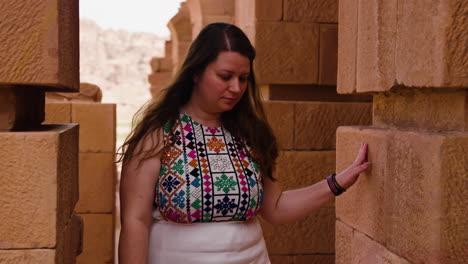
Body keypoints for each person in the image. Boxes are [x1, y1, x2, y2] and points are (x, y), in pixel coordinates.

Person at [117, 22, 370, 264]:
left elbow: (276, 208)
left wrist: (337, 183)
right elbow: (135, 221)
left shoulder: (248, 135)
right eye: (225, 76)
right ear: (196, 72)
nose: (236, 88)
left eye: (244, 78)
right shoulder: (159, 134)